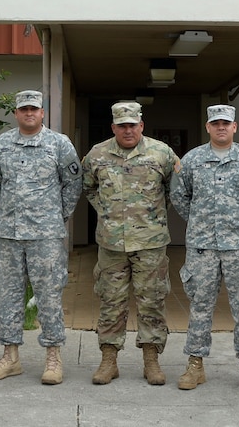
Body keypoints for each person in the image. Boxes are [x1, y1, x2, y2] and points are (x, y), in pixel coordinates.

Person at [169, 104, 239, 394]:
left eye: (226, 123)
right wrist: (199, 220)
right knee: (200, 306)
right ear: (208, 127)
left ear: (234, 127)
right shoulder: (192, 160)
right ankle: (195, 365)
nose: (221, 127)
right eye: (215, 123)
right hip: (203, 246)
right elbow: (179, 194)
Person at [0, 89, 82, 385]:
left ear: (42, 113)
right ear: (16, 113)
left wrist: (55, 215)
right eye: (23, 109)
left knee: (49, 296)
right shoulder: (2, 143)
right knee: (8, 295)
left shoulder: (59, 144)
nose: (29, 113)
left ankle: (53, 357)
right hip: (7, 235)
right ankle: (10, 357)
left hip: (45, 236)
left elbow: (73, 185)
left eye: (34, 109)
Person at [81, 101, 179, 386]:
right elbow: (88, 187)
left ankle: (152, 361)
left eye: (132, 125)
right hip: (111, 244)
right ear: (113, 127)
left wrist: (152, 217)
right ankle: (109, 360)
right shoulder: (97, 155)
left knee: (152, 301)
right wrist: (107, 213)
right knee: (111, 301)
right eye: (122, 126)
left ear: (141, 125)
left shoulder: (162, 153)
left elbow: (174, 190)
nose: (127, 130)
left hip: (150, 243)